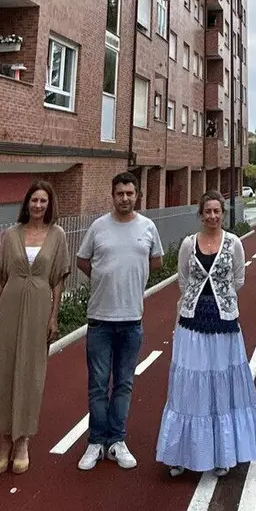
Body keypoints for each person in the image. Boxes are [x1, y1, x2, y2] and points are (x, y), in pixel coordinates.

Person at [157, 191, 256, 477]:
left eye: (217, 211)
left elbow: (238, 279)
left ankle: (222, 453)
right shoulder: (188, 244)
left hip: (224, 324)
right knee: (189, 385)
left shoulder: (233, 243)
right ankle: (180, 453)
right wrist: (198, 300)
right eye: (208, 211)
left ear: (223, 213)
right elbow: (183, 279)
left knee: (221, 385)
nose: (213, 216)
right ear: (201, 214)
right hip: (192, 322)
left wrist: (221, 298)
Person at [0, 181, 71, 473]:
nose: (38, 206)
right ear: (26, 203)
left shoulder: (58, 235)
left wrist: (54, 316)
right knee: (2, 370)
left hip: (39, 309)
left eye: (43, 201)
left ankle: (23, 438)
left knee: (30, 372)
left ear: (49, 204)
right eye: (33, 201)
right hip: (9, 307)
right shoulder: (11, 234)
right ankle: (5, 440)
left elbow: (58, 282)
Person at [75, 172, 164, 471]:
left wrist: (131, 282)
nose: (125, 198)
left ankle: (117, 441)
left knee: (124, 384)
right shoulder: (99, 227)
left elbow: (156, 261)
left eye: (130, 193)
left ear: (136, 195)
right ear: (112, 195)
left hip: (131, 320)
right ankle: (96, 442)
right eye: (119, 193)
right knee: (98, 385)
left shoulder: (148, 227)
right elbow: (83, 260)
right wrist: (104, 280)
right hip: (100, 319)